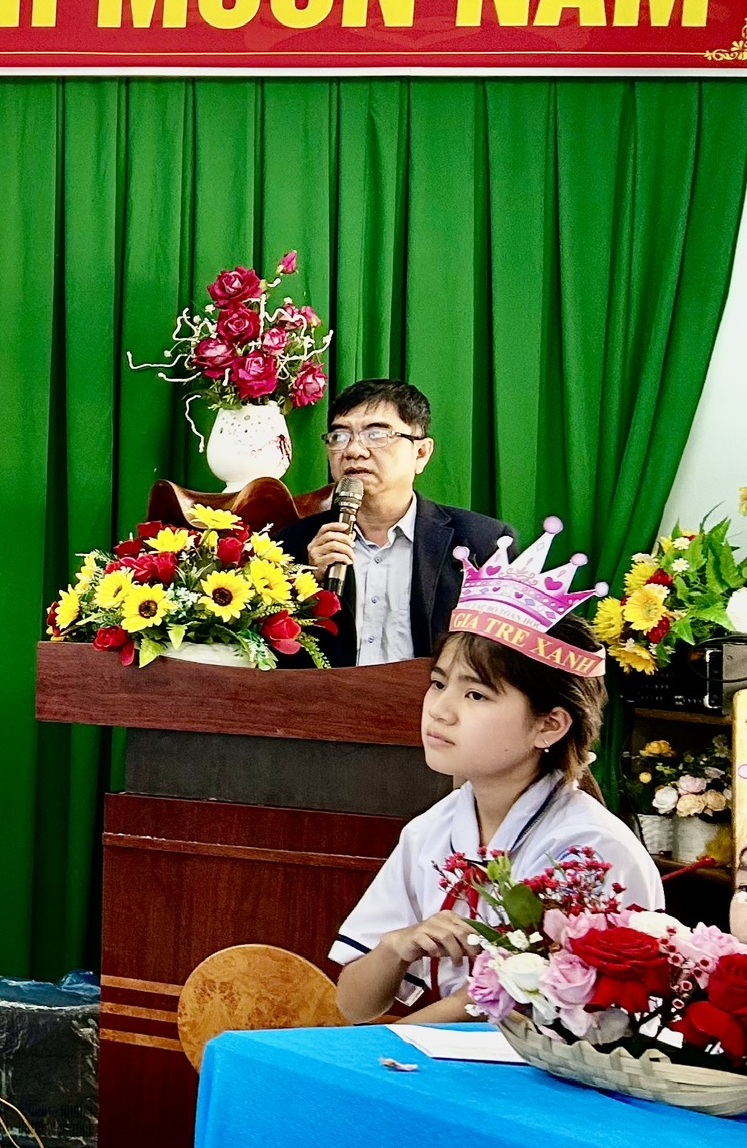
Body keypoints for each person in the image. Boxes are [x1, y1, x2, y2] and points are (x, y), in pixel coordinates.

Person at [334, 520, 662, 1023]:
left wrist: (376, 1049)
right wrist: (397, 946)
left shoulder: (592, 850)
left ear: (549, 725)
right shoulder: (430, 833)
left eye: (475, 694)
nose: (440, 710)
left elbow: (516, 1012)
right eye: (438, 684)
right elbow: (354, 1003)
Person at [274, 379, 511, 666]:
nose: (353, 450)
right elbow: (274, 660)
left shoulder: (483, 543)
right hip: (329, 695)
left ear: (421, 453)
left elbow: (504, 661)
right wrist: (308, 584)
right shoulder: (290, 545)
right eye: (339, 436)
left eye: (376, 434)